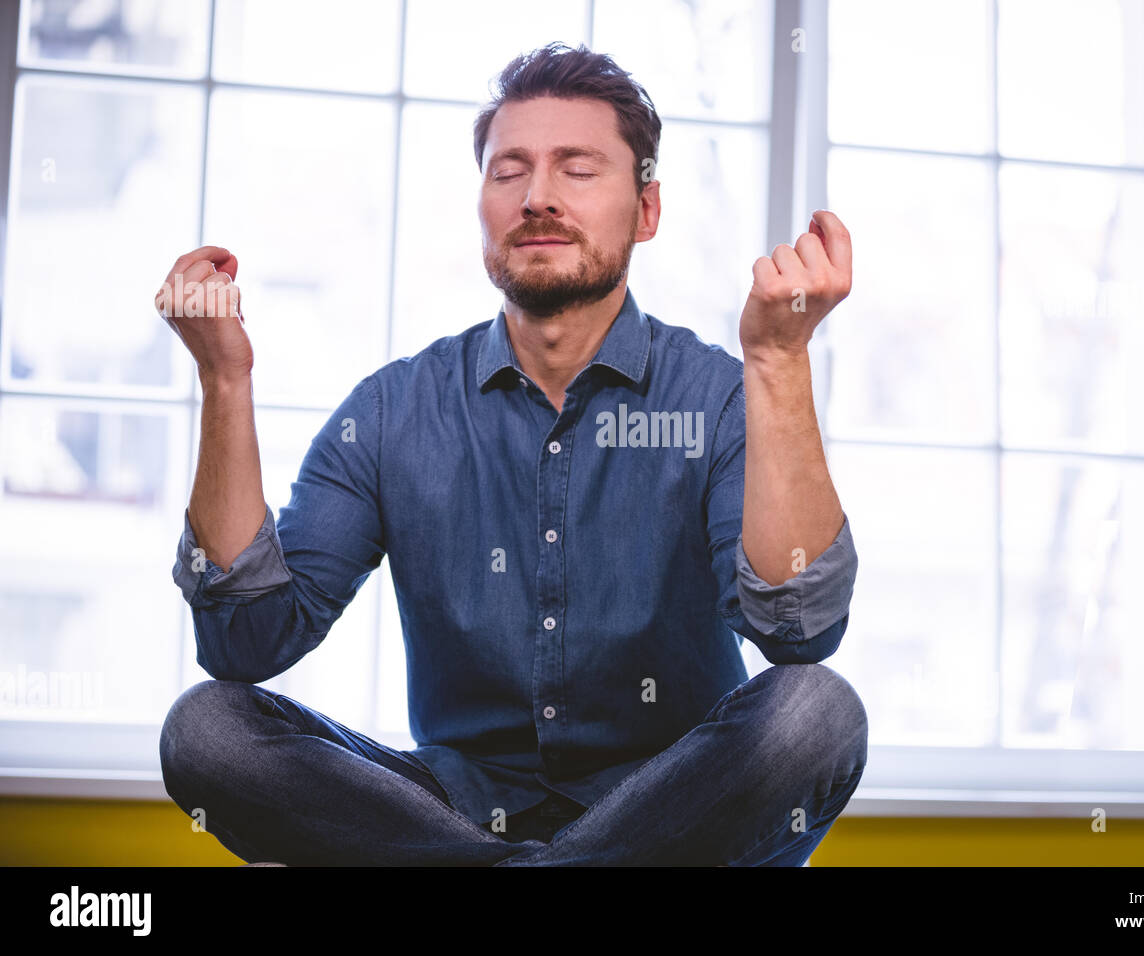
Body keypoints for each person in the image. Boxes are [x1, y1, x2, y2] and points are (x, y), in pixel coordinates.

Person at [156, 41, 867, 867]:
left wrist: (779, 363)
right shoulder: (394, 410)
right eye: (509, 171)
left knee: (816, 711)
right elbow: (248, 642)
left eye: (578, 169)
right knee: (208, 730)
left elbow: (799, 632)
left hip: (676, 813)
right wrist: (223, 376)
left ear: (646, 210)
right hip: (451, 812)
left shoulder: (718, 398)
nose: (537, 198)